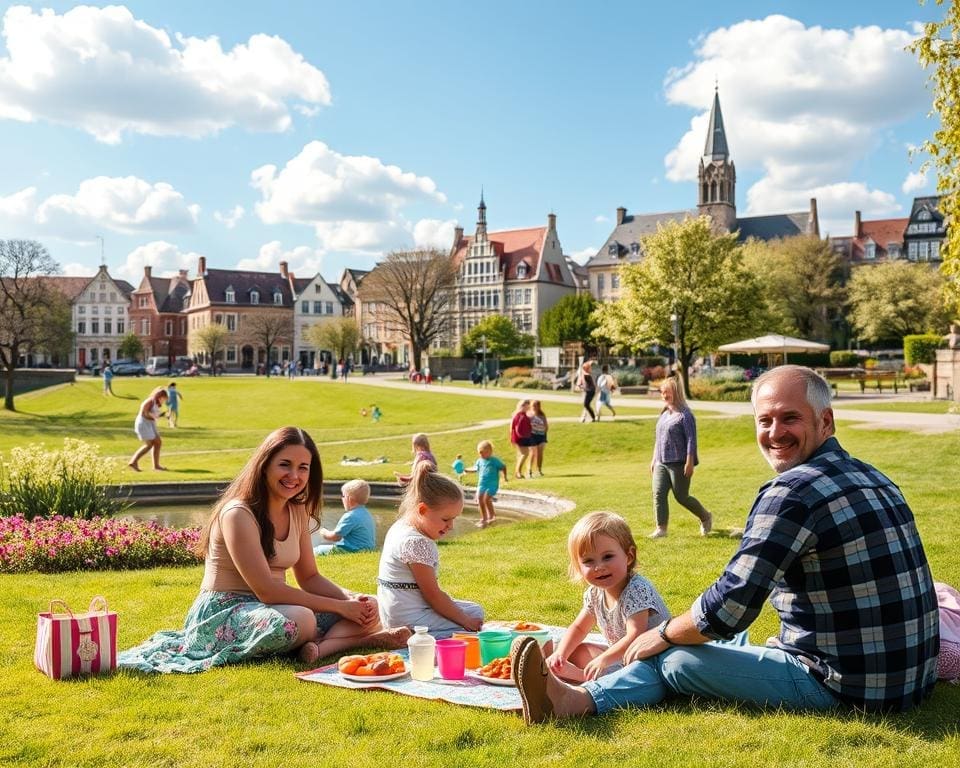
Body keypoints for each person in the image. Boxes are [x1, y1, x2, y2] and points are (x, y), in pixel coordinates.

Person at [511, 365, 940, 724]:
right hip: (910, 676)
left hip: (850, 687)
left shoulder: (791, 492)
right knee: (690, 644)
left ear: (824, 422)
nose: (775, 432)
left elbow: (729, 607)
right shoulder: (874, 476)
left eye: (790, 418)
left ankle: (573, 702)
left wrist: (662, 633)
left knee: (675, 658)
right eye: (764, 420)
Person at [118, 427, 411, 672]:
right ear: (265, 464)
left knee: (370, 606)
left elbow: (309, 577)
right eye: (285, 464)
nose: (293, 475)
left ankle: (320, 648)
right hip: (227, 610)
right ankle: (350, 642)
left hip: (274, 607)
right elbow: (266, 591)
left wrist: (350, 600)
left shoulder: (297, 511)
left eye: (303, 467)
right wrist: (338, 606)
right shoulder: (238, 514)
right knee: (304, 618)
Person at [548, 512, 669, 683]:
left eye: (608, 557)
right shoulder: (595, 593)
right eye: (588, 561)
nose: (599, 567)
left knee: (627, 669)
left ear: (629, 556)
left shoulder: (636, 590)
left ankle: (584, 678)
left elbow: (635, 637)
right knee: (577, 650)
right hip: (623, 655)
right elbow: (579, 628)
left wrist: (603, 660)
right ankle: (580, 672)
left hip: (653, 657)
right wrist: (560, 653)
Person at [376, 462, 485, 636]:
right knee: (471, 623)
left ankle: (409, 633)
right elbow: (433, 596)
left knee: (474, 610)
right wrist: (465, 622)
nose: (450, 526)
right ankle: (408, 636)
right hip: (408, 618)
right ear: (423, 510)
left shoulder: (401, 526)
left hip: (396, 611)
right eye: (446, 519)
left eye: (454, 519)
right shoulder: (417, 543)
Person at [648, 376, 712, 538]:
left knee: (681, 497)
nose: (664, 395)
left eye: (667, 392)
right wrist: (654, 459)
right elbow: (659, 438)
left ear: (676, 392)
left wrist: (690, 461)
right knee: (658, 494)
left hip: (679, 462)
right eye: (662, 392)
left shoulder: (685, 415)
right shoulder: (664, 414)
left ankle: (705, 516)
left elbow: (691, 439)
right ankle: (661, 529)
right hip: (661, 462)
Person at [313, 479, 377, 556]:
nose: (342, 499)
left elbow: (335, 537)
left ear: (349, 499)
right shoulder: (366, 514)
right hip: (366, 550)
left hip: (351, 550)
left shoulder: (350, 516)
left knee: (317, 550)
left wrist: (324, 532)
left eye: (343, 496)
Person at [464, 440, 508, 527]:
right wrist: (467, 470)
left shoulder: (494, 460)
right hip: (482, 484)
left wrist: (505, 477)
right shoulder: (479, 461)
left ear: (490, 451)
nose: (481, 455)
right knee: (480, 499)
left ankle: (491, 516)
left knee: (486, 499)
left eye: (483, 453)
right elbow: (476, 468)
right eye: (479, 453)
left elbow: (503, 466)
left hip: (492, 484)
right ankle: (484, 518)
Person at [128, 387, 169, 472]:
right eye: (164, 399)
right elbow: (145, 413)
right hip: (143, 424)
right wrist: (154, 416)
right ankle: (133, 461)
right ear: (160, 396)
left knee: (158, 442)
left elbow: (153, 414)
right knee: (149, 444)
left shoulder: (156, 403)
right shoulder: (149, 401)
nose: (164, 401)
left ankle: (156, 465)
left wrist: (161, 415)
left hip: (150, 424)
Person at [509, 399, 533, 478]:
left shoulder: (522, 414)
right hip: (521, 438)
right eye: (527, 405)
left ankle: (518, 472)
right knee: (524, 454)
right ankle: (518, 472)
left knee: (523, 454)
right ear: (524, 406)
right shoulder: (520, 415)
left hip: (523, 437)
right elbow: (517, 428)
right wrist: (522, 437)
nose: (529, 406)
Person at [528, 400, 548, 477]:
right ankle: (529, 470)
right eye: (533, 406)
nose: (534, 407)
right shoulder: (529, 415)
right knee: (532, 453)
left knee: (540, 453)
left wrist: (544, 433)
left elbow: (546, 426)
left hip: (541, 436)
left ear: (539, 407)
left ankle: (539, 470)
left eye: (536, 406)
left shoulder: (542, 415)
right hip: (532, 436)